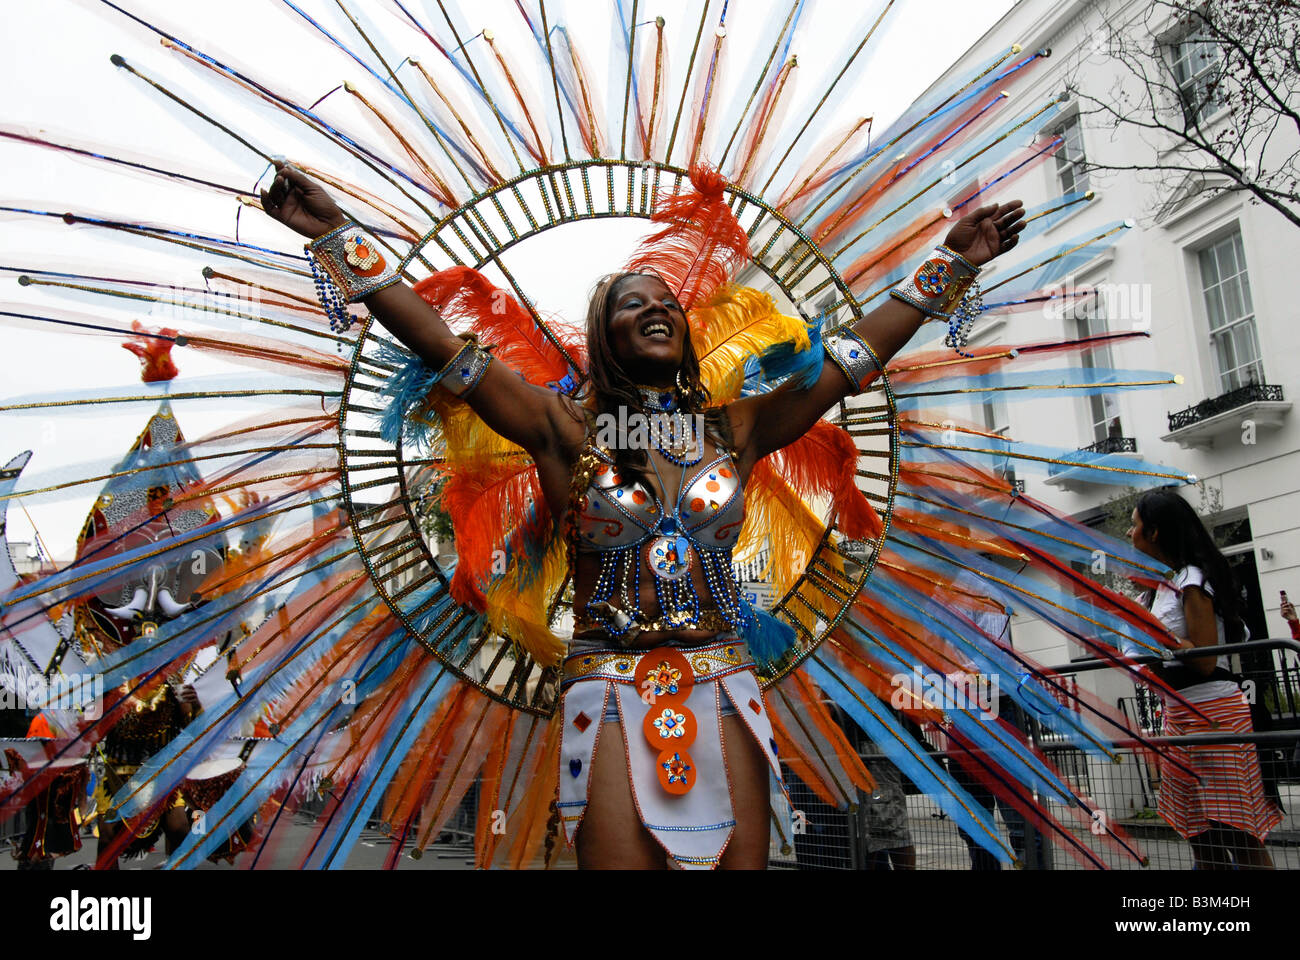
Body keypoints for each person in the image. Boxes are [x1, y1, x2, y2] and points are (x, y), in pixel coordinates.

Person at [259, 160, 1024, 869]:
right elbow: (442, 346)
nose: (658, 311)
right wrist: (336, 234)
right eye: (635, 306)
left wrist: (950, 265)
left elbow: (850, 359)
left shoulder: (736, 428)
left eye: (667, 304)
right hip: (610, 689)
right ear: (607, 335)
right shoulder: (561, 432)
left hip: (724, 677)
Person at [1128, 488, 1282, 869]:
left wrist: (1160, 642)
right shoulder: (1169, 582)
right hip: (1182, 717)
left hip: (1211, 714)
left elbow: (1205, 660)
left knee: (1234, 832)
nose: (1129, 533)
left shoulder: (1192, 581)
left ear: (1155, 532)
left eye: (1134, 525)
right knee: (1200, 833)